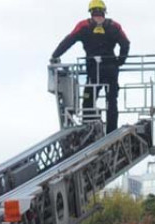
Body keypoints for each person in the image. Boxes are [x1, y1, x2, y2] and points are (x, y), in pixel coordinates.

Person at [51, 0, 130, 133]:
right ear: (104, 11)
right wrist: (120, 61)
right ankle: (111, 132)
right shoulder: (114, 26)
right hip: (111, 69)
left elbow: (68, 40)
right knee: (111, 102)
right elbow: (125, 43)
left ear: (91, 12)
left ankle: (88, 130)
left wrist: (55, 55)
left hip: (94, 71)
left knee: (88, 100)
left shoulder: (84, 26)